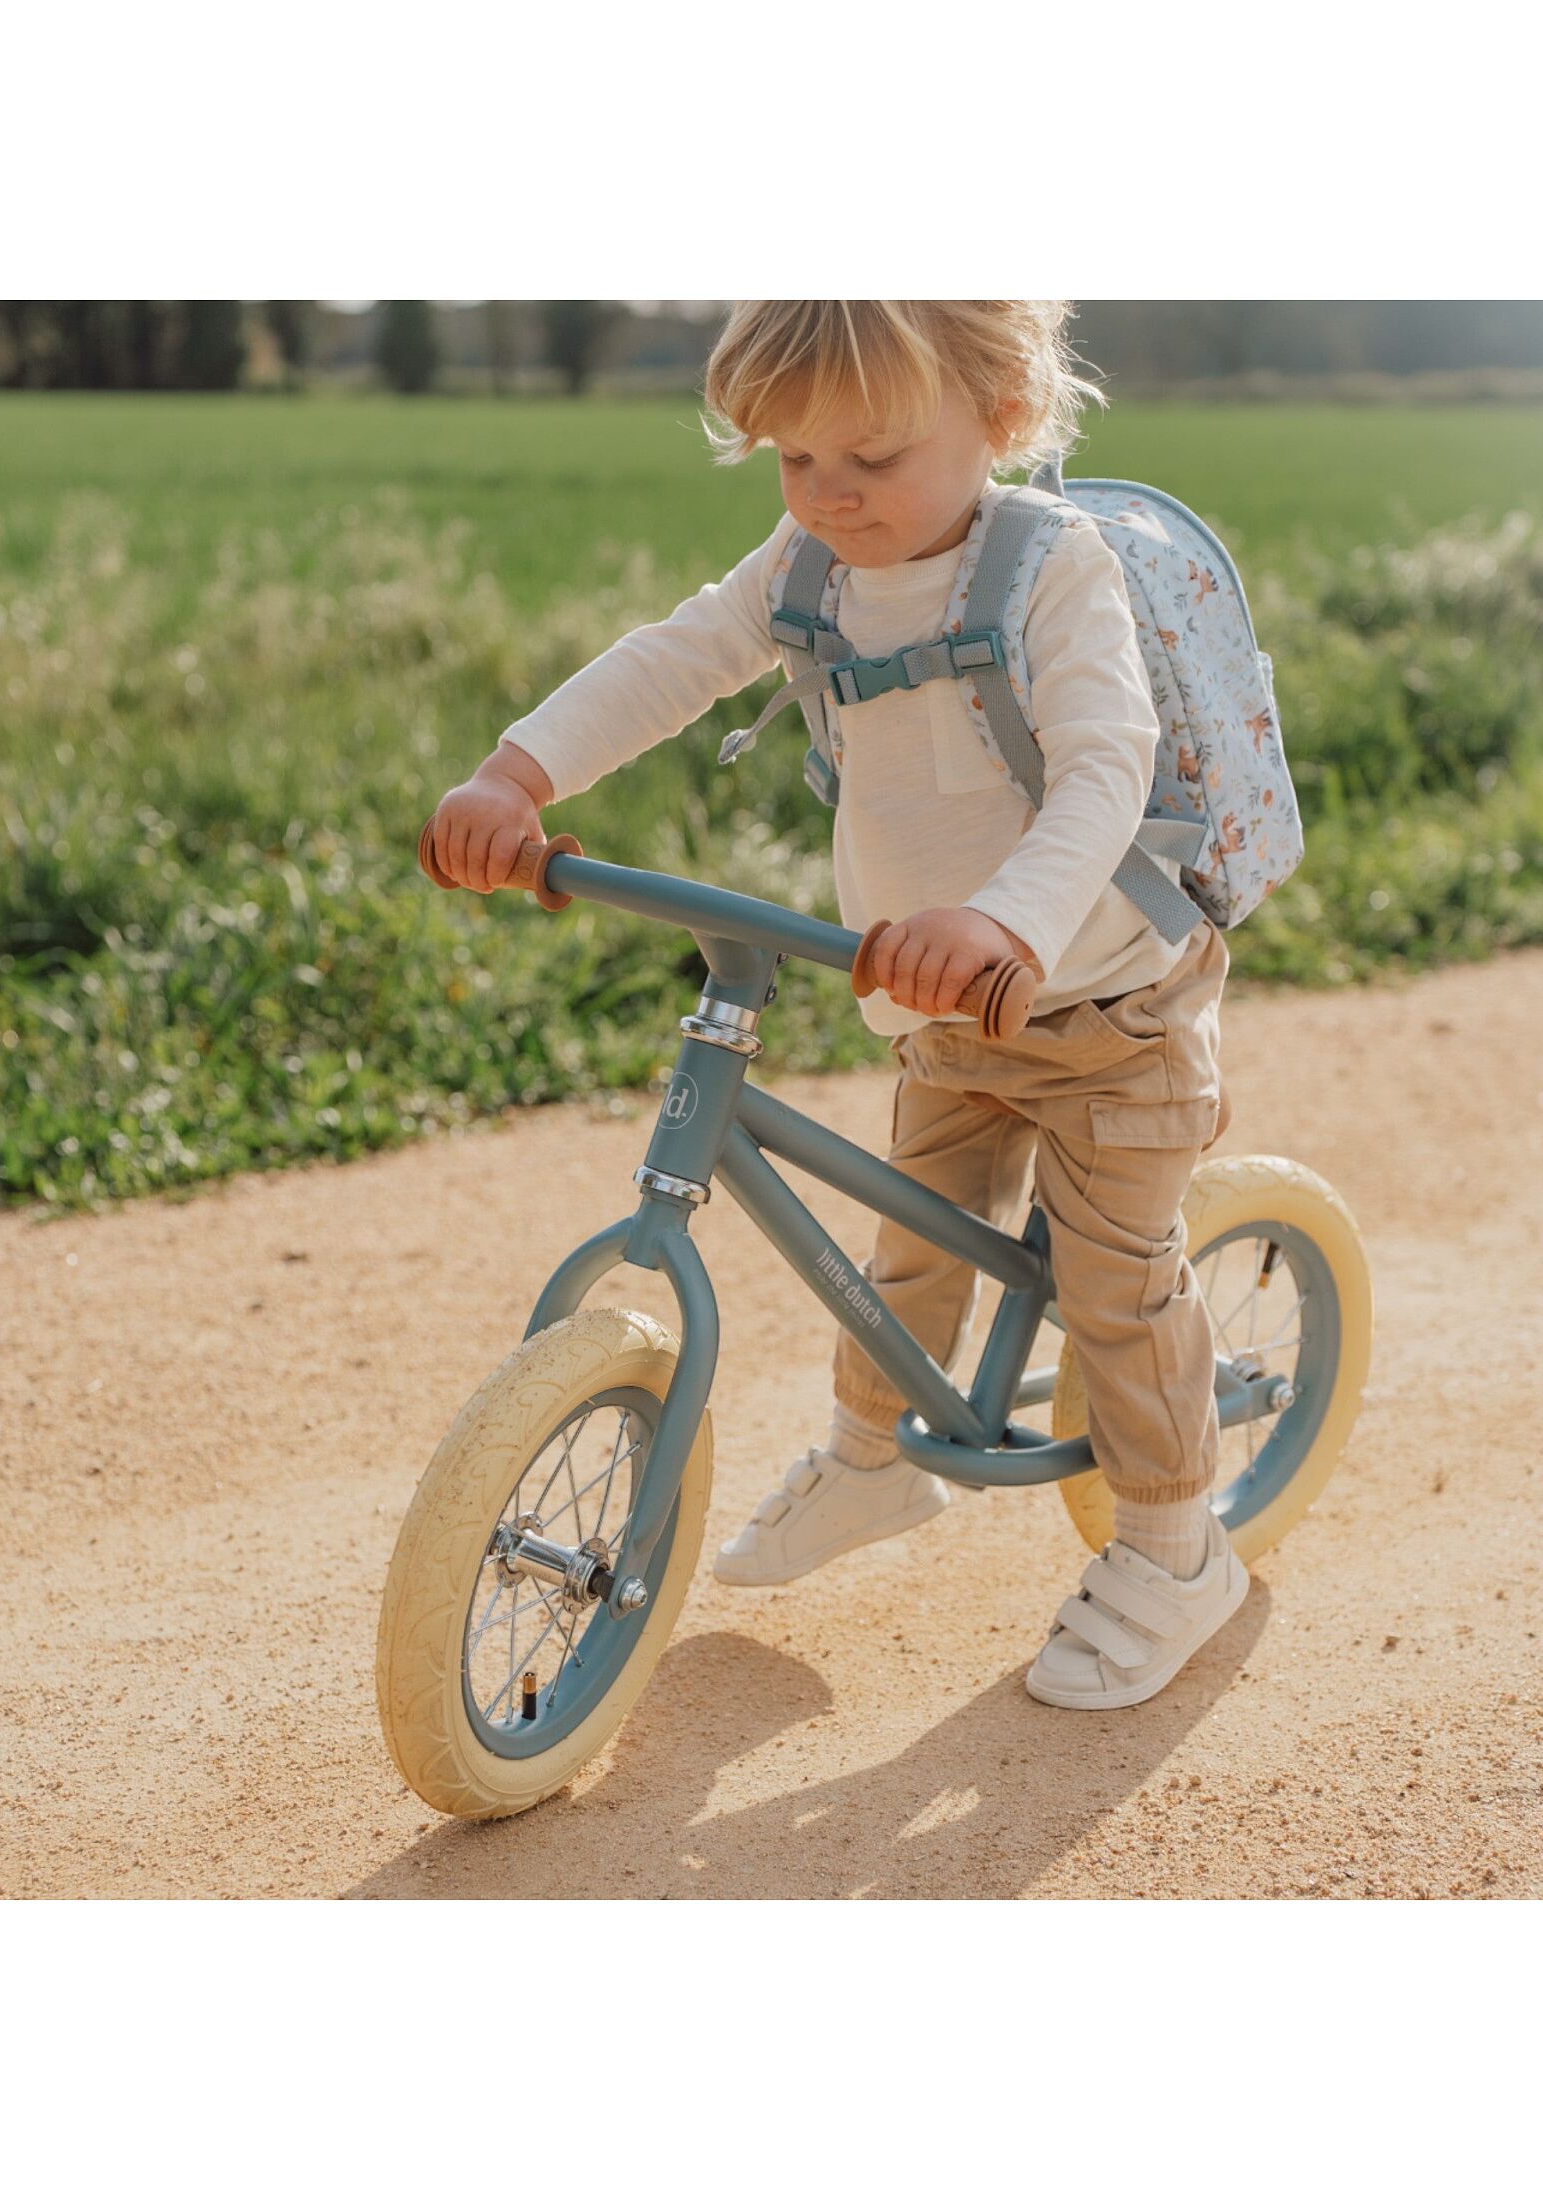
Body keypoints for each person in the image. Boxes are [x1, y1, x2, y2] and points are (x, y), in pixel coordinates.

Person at [429, 300, 1247, 1710]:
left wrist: (1005, 922)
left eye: (871, 452)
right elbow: (675, 656)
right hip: (941, 1003)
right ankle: (876, 1468)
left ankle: (1176, 1550)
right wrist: (521, 773)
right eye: (796, 461)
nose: (831, 494)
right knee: (904, 1257)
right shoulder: (810, 565)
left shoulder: (1056, 569)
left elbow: (1108, 768)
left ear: (998, 418)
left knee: (1114, 1282)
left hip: (1104, 999)